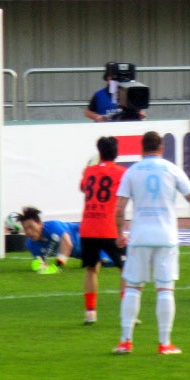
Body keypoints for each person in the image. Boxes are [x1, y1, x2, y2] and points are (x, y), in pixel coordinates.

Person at [112, 131, 190, 355]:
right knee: (165, 289)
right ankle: (164, 343)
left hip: (140, 236)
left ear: (141, 148)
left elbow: (119, 208)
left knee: (133, 287)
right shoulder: (172, 169)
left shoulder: (132, 171)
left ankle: (126, 341)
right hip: (166, 236)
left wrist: (119, 233)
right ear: (161, 148)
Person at [80, 136, 127, 325]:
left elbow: (83, 188)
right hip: (108, 228)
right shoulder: (121, 172)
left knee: (91, 269)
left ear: (99, 153)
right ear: (116, 153)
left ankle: (90, 313)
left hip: (88, 226)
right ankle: (127, 311)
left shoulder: (89, 171)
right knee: (126, 269)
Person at [18, 206, 82, 273]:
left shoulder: (52, 226)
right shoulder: (31, 244)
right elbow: (41, 263)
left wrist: (57, 267)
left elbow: (67, 243)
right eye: (25, 228)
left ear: (40, 224)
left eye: (31, 227)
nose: (28, 232)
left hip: (89, 238)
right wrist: (41, 267)